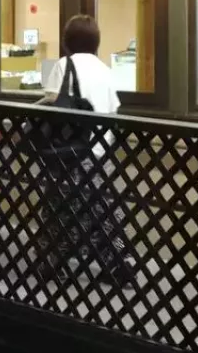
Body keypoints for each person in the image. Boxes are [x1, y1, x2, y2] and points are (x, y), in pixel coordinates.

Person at [36, 15, 132, 286]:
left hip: (71, 152)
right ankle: (116, 261)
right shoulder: (105, 69)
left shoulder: (64, 65)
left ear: (67, 40)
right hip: (101, 152)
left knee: (59, 208)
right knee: (102, 209)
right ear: (96, 41)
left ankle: (54, 262)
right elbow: (113, 109)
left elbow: (52, 102)